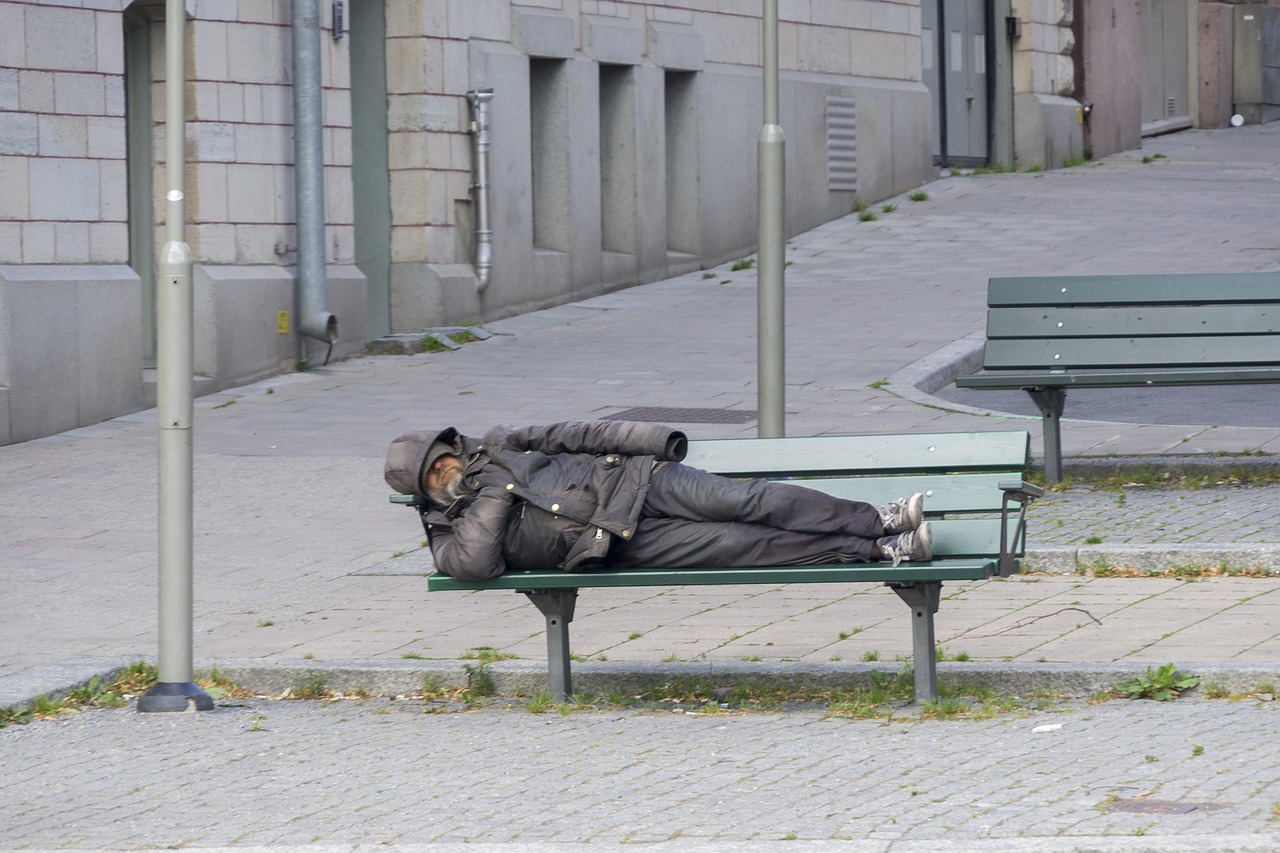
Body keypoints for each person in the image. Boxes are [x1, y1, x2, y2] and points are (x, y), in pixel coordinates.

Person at [384, 420, 932, 581]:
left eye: (443, 458)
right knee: (745, 545)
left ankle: (876, 519)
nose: (445, 471)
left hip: (633, 480)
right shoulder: (449, 537)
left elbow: (576, 434)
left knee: (749, 500)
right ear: (424, 493)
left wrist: (650, 441)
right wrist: (493, 493)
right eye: (434, 476)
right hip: (612, 542)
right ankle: (881, 552)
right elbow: (477, 564)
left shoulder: (501, 443)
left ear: (451, 446)